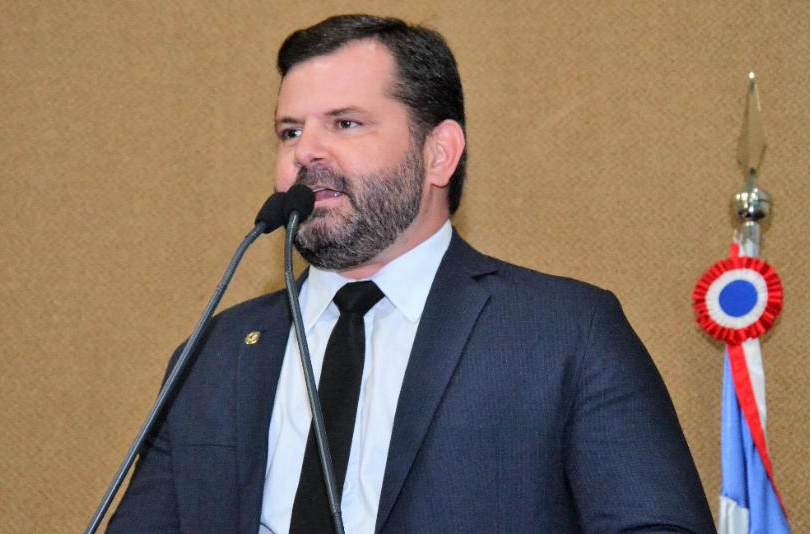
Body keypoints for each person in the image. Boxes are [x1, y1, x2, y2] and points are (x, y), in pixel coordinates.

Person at [108, 14, 715, 533]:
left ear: (438, 153)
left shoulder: (564, 333)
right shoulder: (212, 355)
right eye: (290, 131)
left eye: (345, 123)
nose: (304, 153)